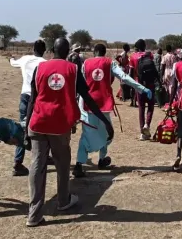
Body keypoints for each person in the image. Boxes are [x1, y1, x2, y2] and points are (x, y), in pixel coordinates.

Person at [24, 38, 114, 227]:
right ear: (68, 52)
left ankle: (33, 214)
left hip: (38, 122)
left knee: (37, 165)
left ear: (52, 51)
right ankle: (63, 201)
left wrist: (26, 129)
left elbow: (32, 99)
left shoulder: (40, 68)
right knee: (62, 163)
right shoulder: (72, 70)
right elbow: (88, 98)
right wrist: (105, 120)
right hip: (59, 125)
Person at [73, 43, 151, 178]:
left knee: (86, 134)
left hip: (88, 105)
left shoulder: (86, 63)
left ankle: (80, 164)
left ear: (94, 52)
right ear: (104, 52)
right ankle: (101, 159)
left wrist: (78, 104)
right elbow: (124, 77)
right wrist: (142, 88)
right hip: (103, 104)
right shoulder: (109, 63)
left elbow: (80, 84)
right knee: (107, 133)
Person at [9, 40, 48, 176]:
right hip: (38, 97)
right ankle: (43, 157)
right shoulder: (44, 63)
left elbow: (13, 63)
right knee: (41, 128)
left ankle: (18, 162)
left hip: (25, 96)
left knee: (22, 128)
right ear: (45, 50)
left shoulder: (25, 59)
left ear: (33, 49)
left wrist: (11, 58)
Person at [129, 39, 160, 140]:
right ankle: (147, 124)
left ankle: (142, 132)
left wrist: (131, 84)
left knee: (141, 108)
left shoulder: (133, 56)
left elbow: (131, 72)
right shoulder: (149, 55)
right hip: (150, 84)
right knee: (150, 106)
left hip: (139, 84)